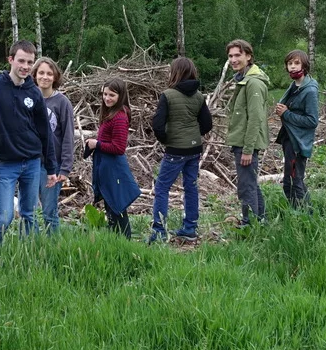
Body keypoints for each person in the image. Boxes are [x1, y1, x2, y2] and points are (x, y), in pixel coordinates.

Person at [0, 40, 61, 250]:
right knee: (4, 216)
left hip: (33, 163)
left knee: (29, 214)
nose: (25, 66)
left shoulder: (33, 92)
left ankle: (29, 257)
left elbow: (45, 133)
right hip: (7, 164)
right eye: (21, 61)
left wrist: (51, 167)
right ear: (11, 60)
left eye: (29, 62)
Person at [149, 56, 213, 244]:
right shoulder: (199, 96)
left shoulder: (168, 95)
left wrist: (168, 140)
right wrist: (193, 134)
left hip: (175, 150)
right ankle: (190, 227)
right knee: (191, 186)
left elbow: (158, 125)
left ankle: (159, 231)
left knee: (161, 188)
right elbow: (207, 124)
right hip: (194, 148)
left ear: (175, 72)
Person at [84, 78, 140, 238]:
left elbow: (119, 148)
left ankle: (124, 243)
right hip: (107, 168)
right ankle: (117, 241)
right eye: (105, 94)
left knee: (117, 206)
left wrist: (97, 144)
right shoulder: (110, 113)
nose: (107, 98)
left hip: (114, 169)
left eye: (112, 95)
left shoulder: (120, 117)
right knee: (111, 206)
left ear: (120, 96)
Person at [225, 39, 271, 226]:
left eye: (238, 55)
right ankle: (261, 221)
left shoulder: (253, 83)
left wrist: (247, 149)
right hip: (242, 142)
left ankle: (249, 224)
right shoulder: (244, 79)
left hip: (246, 144)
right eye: (230, 56)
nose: (234, 59)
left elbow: (255, 118)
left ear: (248, 56)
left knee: (246, 186)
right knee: (250, 182)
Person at [33, 56, 75, 234]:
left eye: (49, 73)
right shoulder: (29, 99)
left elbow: (68, 136)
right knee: (29, 211)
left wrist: (65, 168)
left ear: (55, 77)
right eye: (41, 73)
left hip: (52, 166)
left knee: (49, 212)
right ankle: (31, 247)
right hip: (30, 163)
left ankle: (53, 249)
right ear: (34, 75)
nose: (45, 77)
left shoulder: (62, 102)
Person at [275, 49, 320, 211]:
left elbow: (312, 121)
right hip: (290, 139)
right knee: (293, 180)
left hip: (299, 142)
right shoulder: (294, 87)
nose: (293, 67)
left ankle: (304, 217)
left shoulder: (310, 91)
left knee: (293, 182)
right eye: (290, 63)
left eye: (296, 63)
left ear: (304, 66)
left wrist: (286, 113)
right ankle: (305, 212)